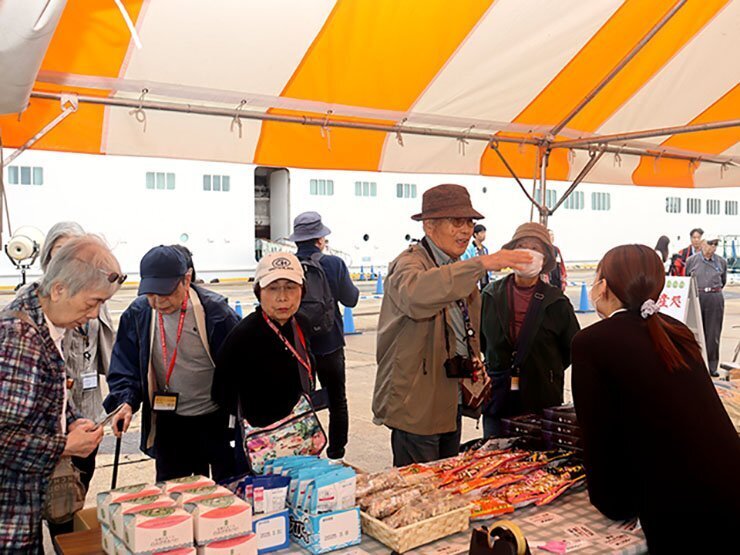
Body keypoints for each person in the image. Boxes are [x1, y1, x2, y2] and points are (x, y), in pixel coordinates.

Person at [572, 244, 740, 554]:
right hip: (728, 486)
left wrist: (612, 504)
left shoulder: (592, 342)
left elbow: (598, 436)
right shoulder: (675, 329)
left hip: (682, 509)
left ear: (604, 286)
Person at [372, 184, 531, 466]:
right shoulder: (410, 263)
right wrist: (481, 263)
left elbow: (461, 326)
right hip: (416, 402)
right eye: (457, 222)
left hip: (451, 395)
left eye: (470, 222)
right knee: (419, 489)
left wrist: (473, 360)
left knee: (448, 479)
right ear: (429, 225)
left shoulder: (457, 265)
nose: (466, 230)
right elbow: (416, 295)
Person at [0, 235, 118, 552]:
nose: (95, 315)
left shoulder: (45, 323)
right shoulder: (20, 337)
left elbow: (40, 401)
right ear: (59, 290)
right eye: (93, 302)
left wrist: (71, 421)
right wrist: (65, 444)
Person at [105, 246, 240, 481]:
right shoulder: (138, 313)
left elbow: (242, 365)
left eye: (165, 292)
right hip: (170, 420)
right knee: (171, 491)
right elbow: (125, 365)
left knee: (226, 488)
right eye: (150, 293)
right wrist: (125, 402)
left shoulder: (216, 313)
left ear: (186, 280)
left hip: (215, 416)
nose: (157, 301)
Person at [480, 223, 580, 438]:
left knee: (536, 463)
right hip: (498, 395)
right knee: (492, 458)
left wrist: (545, 370)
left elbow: (571, 348)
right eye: (522, 246)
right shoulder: (490, 295)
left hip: (541, 397)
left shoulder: (557, 302)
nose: (528, 252)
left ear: (545, 258)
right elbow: (482, 341)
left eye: (535, 248)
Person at [213, 253, 314, 438]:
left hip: (299, 428)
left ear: (303, 290)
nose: (282, 297)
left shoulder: (302, 323)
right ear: (259, 292)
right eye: (273, 288)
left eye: (291, 287)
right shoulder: (242, 334)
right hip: (259, 439)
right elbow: (221, 393)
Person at [290, 212, 359, 461]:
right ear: (320, 238)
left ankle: (306, 453)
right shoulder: (334, 264)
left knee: (299, 404)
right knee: (337, 400)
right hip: (330, 344)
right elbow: (351, 298)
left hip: (297, 345)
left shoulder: (288, 264)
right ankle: (336, 453)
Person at [686, 233, 727, 376]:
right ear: (703, 243)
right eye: (711, 243)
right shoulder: (692, 261)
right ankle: (695, 364)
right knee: (694, 332)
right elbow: (687, 278)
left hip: (715, 297)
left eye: (716, 244)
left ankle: (712, 365)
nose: (713, 247)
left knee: (713, 333)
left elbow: (724, 280)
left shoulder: (721, 262)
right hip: (698, 296)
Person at [462, 224, 491, 289]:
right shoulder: (469, 249)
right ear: (475, 234)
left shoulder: (485, 249)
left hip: (485, 280)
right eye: (482, 232)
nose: (484, 235)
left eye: (484, 232)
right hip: (475, 281)